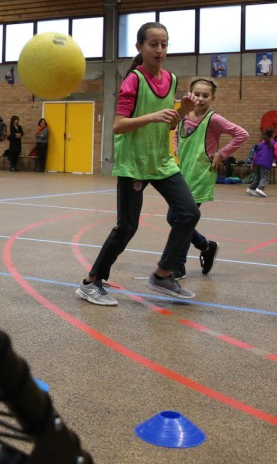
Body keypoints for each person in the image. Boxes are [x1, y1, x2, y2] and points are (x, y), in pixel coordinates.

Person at [75, 21, 199, 306]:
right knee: (127, 227)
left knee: (189, 213)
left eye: (164, 44)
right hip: (134, 162)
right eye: (153, 44)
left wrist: (182, 111)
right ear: (140, 47)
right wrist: (154, 116)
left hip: (161, 161)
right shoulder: (133, 80)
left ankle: (163, 274)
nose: (159, 50)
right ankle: (91, 283)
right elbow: (118, 126)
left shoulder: (172, 79)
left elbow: (167, 125)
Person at [170, 77, 248, 279]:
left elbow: (241, 134)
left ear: (212, 98)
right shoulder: (184, 115)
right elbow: (175, 133)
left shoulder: (214, 120)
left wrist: (221, 154)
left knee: (182, 219)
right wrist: (177, 151)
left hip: (200, 176)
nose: (200, 98)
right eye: (197, 94)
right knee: (174, 218)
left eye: (206, 95)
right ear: (190, 94)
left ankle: (179, 265)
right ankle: (206, 246)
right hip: (182, 174)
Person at [246, 127, 277, 197]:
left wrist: (253, 163)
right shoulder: (274, 143)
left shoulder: (261, 143)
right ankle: (260, 188)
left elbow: (255, 154)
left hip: (258, 162)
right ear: (273, 134)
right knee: (265, 177)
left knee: (258, 178)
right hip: (266, 163)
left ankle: (251, 188)